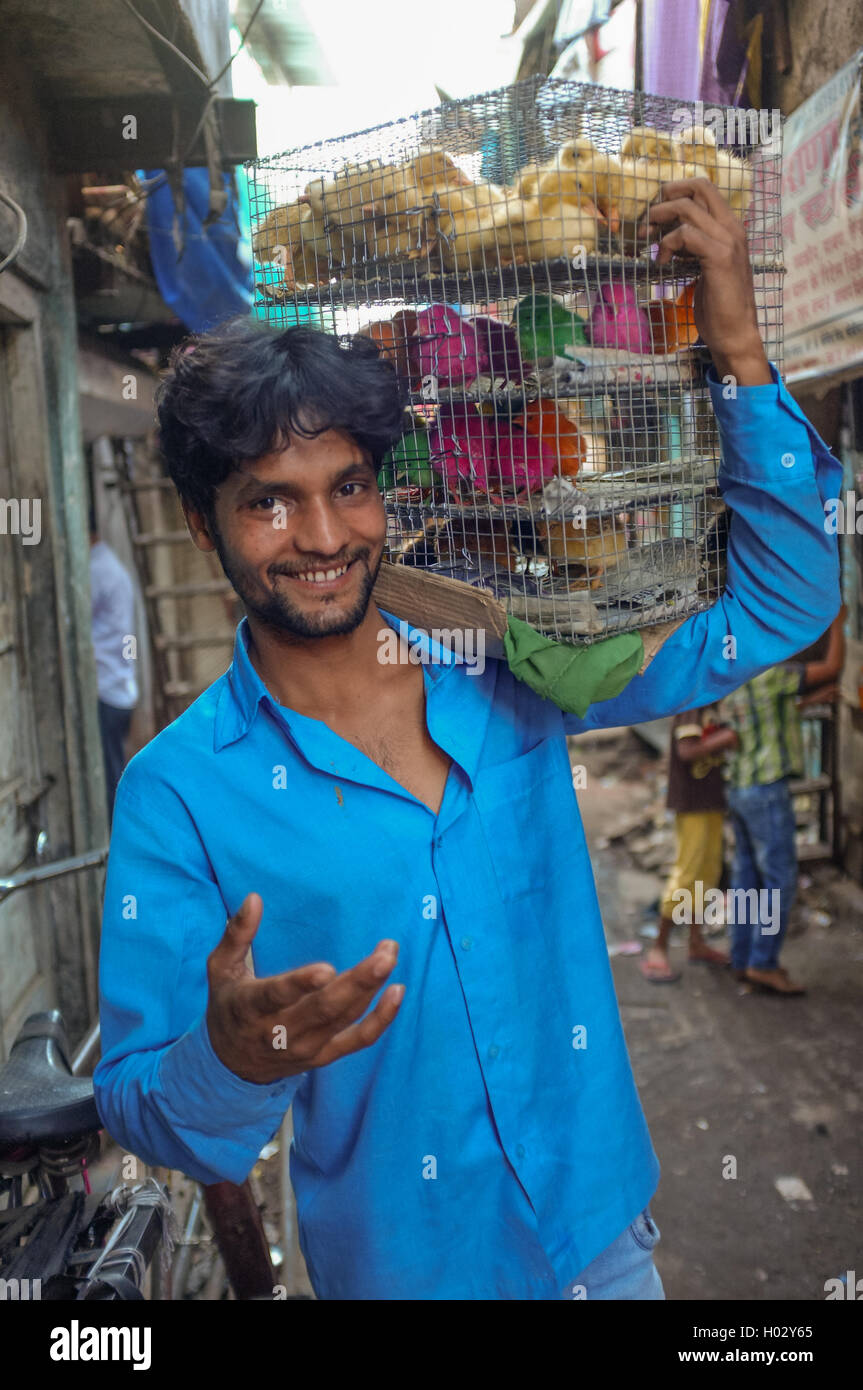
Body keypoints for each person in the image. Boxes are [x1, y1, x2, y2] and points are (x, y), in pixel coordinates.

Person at [93, 180, 841, 1301]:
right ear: (205, 524)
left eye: (348, 486)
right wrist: (239, 1058)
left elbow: (783, 601)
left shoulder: (507, 657)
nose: (322, 535)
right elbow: (146, 1104)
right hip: (408, 1272)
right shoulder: (177, 793)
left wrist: (735, 349)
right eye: (269, 502)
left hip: (602, 1242)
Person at [721, 612, 846, 996]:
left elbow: (767, 718)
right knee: (779, 880)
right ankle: (764, 963)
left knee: (746, 880)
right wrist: (838, 624)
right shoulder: (773, 675)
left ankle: (742, 957)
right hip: (765, 789)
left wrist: (810, 701)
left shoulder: (730, 676)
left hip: (739, 787)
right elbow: (832, 666)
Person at [641, 705, 737, 984]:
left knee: (707, 872)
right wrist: (726, 738)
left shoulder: (712, 706)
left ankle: (696, 942)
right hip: (692, 804)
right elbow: (686, 751)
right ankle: (658, 948)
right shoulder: (692, 705)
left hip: (710, 801)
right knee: (686, 873)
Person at [89, 513, 138, 823]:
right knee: (113, 774)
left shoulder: (96, 571)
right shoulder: (112, 567)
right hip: (121, 689)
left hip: (107, 689)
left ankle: (121, 845)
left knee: (109, 784)